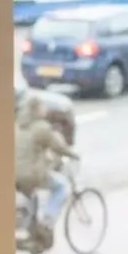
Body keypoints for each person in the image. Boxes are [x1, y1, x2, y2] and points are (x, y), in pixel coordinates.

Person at [14, 96, 78, 227]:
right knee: (61, 186)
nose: (46, 109)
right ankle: (47, 221)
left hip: (14, 173)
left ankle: (30, 224)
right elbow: (58, 147)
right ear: (36, 110)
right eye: (43, 107)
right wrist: (73, 155)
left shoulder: (17, 126)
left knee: (31, 192)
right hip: (31, 174)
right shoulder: (42, 127)